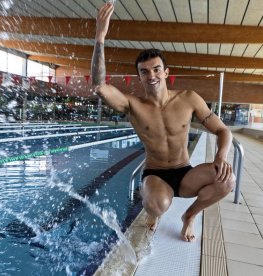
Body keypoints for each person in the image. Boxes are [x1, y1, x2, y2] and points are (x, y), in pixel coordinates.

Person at [91, 3, 235, 242]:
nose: (151, 76)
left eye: (156, 69)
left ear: (166, 73)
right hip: (155, 173)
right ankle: (154, 209)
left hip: (185, 174)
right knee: (158, 204)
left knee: (226, 180)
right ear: (139, 76)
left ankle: (189, 216)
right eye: (144, 72)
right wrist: (100, 37)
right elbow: (98, 87)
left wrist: (221, 155)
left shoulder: (189, 98)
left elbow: (222, 130)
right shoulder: (132, 104)